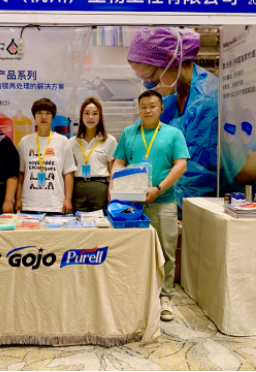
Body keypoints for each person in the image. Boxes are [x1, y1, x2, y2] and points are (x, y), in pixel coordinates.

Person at [112, 90, 189, 321]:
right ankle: (135, 294)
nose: (148, 110)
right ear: (139, 109)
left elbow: (181, 165)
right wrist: (114, 187)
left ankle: (165, 297)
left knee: (166, 250)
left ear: (161, 108)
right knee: (132, 249)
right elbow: (118, 162)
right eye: (144, 106)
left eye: (153, 106)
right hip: (131, 206)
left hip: (163, 203)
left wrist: (159, 188)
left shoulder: (173, 134)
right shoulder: (129, 133)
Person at [127, 27, 218, 210]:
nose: (149, 86)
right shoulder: (170, 96)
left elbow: (198, 180)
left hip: (193, 206)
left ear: (171, 60)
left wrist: (156, 195)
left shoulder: (209, 101)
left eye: (151, 77)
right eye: (143, 80)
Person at [16, 98, 76, 215]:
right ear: (34, 117)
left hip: (55, 204)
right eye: (39, 113)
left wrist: (68, 199)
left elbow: (68, 173)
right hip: (29, 204)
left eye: (48, 113)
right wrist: (18, 199)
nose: (43, 117)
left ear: (52, 117)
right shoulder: (25, 141)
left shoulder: (63, 141)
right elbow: (20, 173)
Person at [69, 98, 117, 212]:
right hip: (78, 187)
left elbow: (112, 170)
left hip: (100, 188)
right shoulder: (72, 142)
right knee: (78, 221)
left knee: (100, 221)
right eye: (87, 113)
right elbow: (69, 171)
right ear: (81, 116)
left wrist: (112, 190)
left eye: (95, 113)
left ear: (100, 116)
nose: (90, 117)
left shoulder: (109, 140)